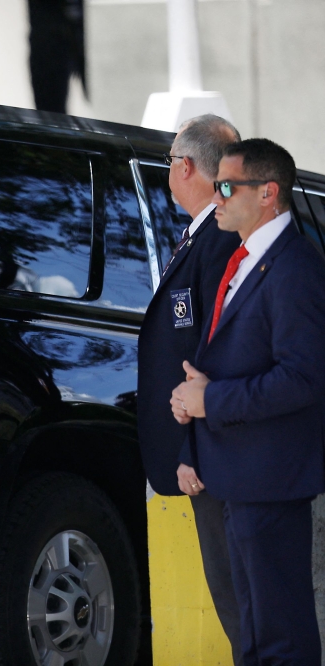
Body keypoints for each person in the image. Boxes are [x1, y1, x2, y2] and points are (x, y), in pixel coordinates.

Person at [172, 138, 325, 665]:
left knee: (281, 637)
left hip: (271, 480)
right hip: (238, 477)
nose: (216, 198)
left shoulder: (294, 268)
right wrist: (195, 397)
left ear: (268, 193)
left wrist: (212, 400)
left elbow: (302, 378)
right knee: (254, 637)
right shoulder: (246, 260)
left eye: (226, 187)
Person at [136, 114, 243, 662]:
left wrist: (191, 450)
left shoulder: (220, 240)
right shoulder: (202, 236)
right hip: (207, 450)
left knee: (239, 601)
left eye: (170, 161)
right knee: (233, 599)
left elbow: (213, 355)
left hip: (214, 454)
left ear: (185, 167)